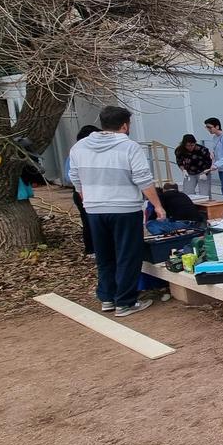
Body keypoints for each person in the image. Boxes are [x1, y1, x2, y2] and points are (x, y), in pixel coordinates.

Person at [67, 106, 166, 317]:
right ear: (124, 125)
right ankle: (126, 302)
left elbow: (75, 178)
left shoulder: (80, 147)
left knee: (104, 254)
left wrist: (88, 199)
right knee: (128, 254)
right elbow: (142, 179)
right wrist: (157, 205)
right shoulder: (129, 147)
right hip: (124, 208)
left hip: (94, 209)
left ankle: (107, 298)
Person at [68, 124, 100, 255]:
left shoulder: (78, 152)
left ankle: (95, 248)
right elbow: (70, 175)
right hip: (83, 192)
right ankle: (91, 249)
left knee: (92, 221)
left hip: (86, 191)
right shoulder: (78, 153)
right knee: (89, 220)